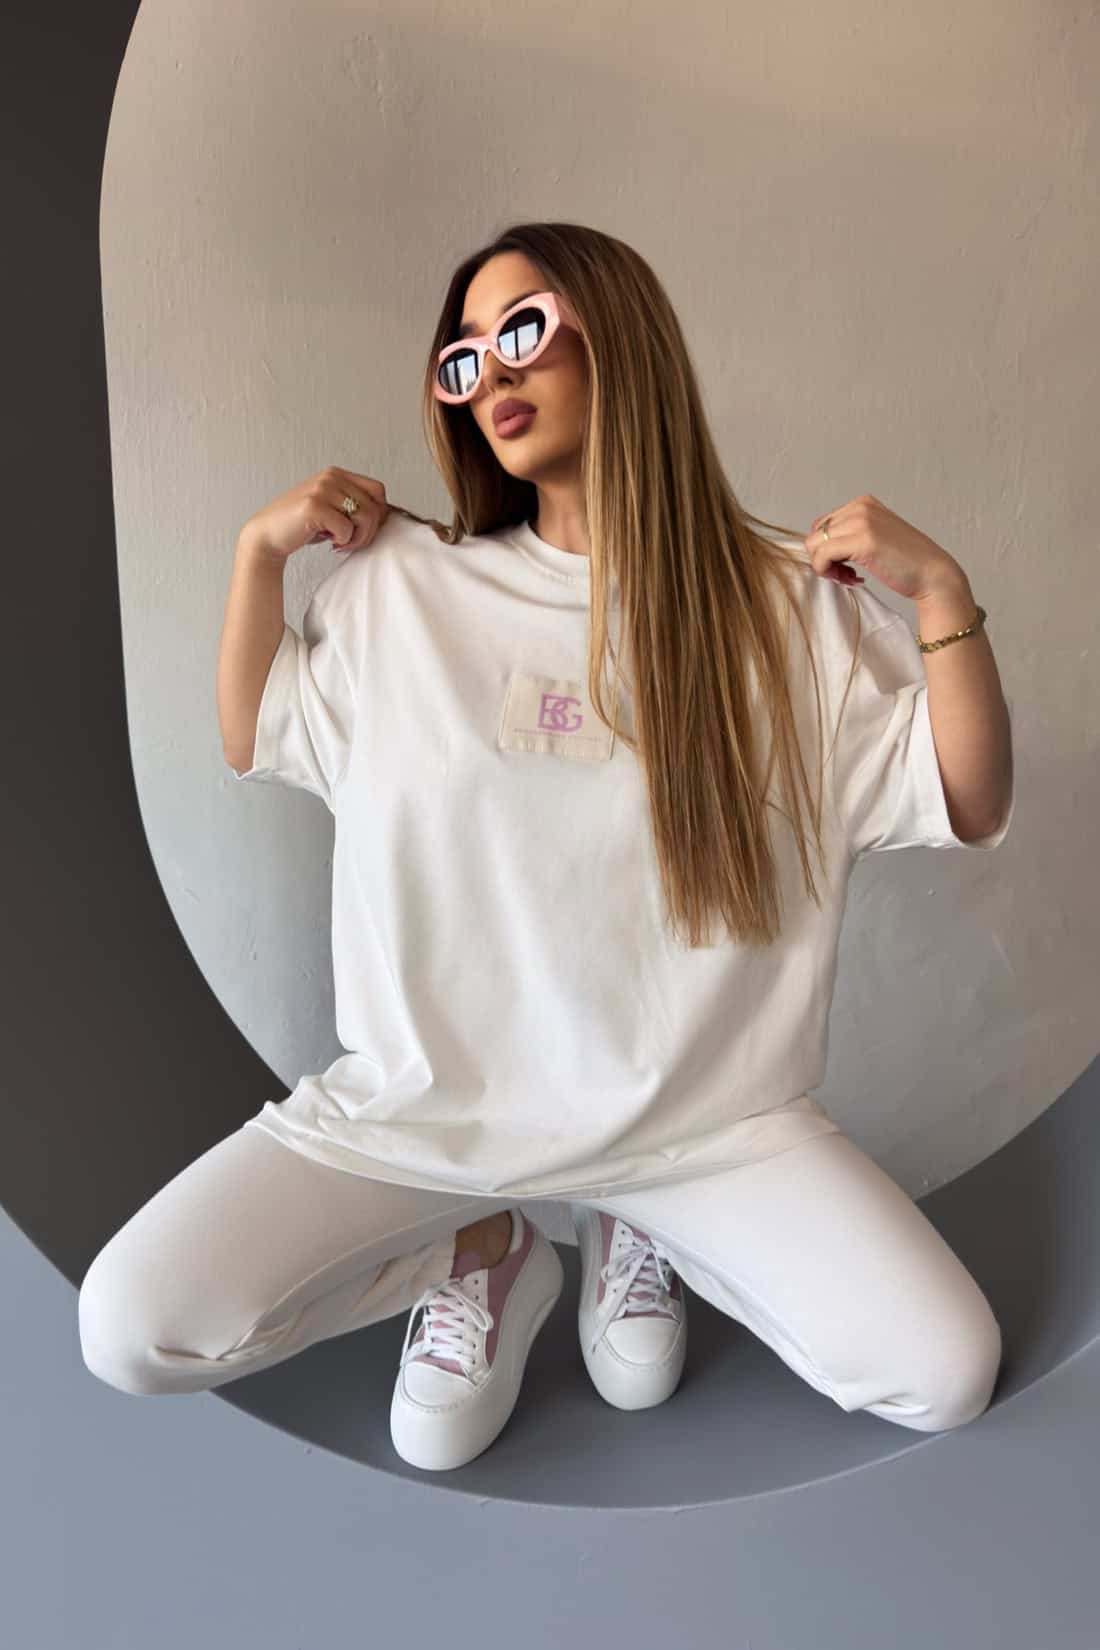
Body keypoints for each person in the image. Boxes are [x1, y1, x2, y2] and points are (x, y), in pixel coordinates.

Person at [78, 221, 1015, 1474]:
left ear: (618, 333)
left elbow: (963, 797)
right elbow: (258, 731)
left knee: (943, 1370)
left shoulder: (781, 606)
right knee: (131, 1329)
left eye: (519, 329)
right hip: (422, 1116)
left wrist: (942, 595)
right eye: (462, 357)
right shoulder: (405, 589)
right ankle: (485, 1249)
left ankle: (646, 1226)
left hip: (706, 1126)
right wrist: (256, 558)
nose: (491, 375)